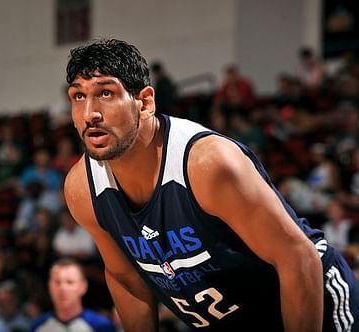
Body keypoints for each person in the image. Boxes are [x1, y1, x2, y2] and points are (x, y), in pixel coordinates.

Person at [62, 38, 359, 331]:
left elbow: (299, 258)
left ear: (145, 102)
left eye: (106, 93)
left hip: (317, 304)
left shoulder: (208, 165)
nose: (90, 114)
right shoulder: (82, 189)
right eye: (78, 96)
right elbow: (125, 277)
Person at [29, 258, 116, 332]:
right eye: (57, 282)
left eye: (70, 282)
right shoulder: (37, 327)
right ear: (49, 286)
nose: (62, 288)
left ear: (83, 286)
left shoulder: (102, 326)